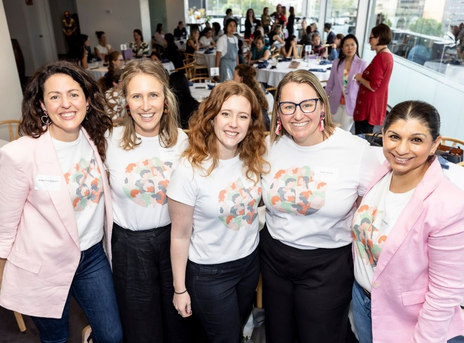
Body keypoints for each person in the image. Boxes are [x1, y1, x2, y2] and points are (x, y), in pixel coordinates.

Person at [0, 60, 122, 343]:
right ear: (43, 105)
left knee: (112, 335)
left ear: (87, 100)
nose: (65, 104)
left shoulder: (97, 139)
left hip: (91, 256)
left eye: (74, 94)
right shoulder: (20, 155)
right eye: (54, 97)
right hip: (44, 263)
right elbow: (5, 225)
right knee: (55, 338)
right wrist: (8, 277)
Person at [261, 69, 379, 343]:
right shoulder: (268, 146)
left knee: (321, 335)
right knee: (279, 333)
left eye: (307, 104)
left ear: (322, 105)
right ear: (278, 111)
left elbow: (375, 207)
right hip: (275, 257)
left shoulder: (355, 151)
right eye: (288, 106)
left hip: (328, 263)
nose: (298, 114)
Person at [351, 100, 464, 343]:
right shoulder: (382, 173)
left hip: (409, 322)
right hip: (363, 302)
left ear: (434, 144)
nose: (401, 149)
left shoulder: (449, 203)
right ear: (383, 135)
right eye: (394, 136)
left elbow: (445, 292)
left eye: (416, 140)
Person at [168, 81, 268, 343]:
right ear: (211, 117)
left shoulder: (253, 158)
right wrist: (180, 290)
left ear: (251, 123)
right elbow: (179, 235)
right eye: (226, 113)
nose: (234, 123)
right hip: (210, 274)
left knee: (233, 332)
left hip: (248, 264)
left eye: (242, 116)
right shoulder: (189, 169)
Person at [105, 59, 192, 343]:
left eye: (153, 95)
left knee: (179, 325)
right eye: (137, 96)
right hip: (129, 247)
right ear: (126, 102)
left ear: (165, 99)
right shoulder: (108, 141)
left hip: (174, 243)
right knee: (142, 330)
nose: (146, 105)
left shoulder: (183, 142)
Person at [353, 23, 393, 134]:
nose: (369, 41)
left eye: (371, 38)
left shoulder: (381, 57)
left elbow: (373, 86)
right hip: (373, 105)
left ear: (378, 38)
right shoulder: (386, 55)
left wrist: (360, 78)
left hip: (368, 107)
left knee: (362, 137)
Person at [325, 34, 368, 131]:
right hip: (335, 102)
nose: (350, 48)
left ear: (356, 46)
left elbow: (364, 87)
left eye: (352, 45)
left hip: (350, 105)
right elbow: (330, 84)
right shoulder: (336, 62)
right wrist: (322, 100)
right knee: (331, 131)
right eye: (346, 45)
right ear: (342, 48)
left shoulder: (362, 64)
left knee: (344, 133)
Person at [233, 64, 270, 130]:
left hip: (256, 131)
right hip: (265, 127)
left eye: (234, 76)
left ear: (241, 79)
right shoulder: (256, 89)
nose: (232, 79)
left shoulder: (244, 95)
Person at [216, 18, 239, 82]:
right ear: (226, 27)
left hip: (234, 65)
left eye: (234, 26)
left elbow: (236, 55)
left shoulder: (235, 39)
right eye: (230, 25)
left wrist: (237, 69)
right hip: (225, 66)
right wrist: (217, 71)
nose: (232, 28)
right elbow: (218, 56)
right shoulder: (222, 39)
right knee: (226, 85)